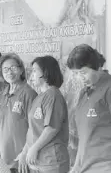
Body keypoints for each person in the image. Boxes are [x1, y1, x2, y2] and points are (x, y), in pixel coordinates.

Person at [21, 56, 69, 173]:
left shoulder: (53, 95)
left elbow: (51, 128)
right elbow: (33, 129)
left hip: (51, 162)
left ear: (46, 72)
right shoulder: (39, 96)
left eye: (34, 70)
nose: (31, 75)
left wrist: (34, 148)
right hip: (38, 162)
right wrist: (25, 151)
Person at [67, 44, 111, 173]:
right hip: (86, 166)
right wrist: (77, 165)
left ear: (96, 66)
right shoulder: (84, 93)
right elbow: (85, 136)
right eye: (76, 74)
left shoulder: (108, 88)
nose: (80, 77)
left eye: (83, 72)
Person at [0, 53, 37, 172]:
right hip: (3, 161)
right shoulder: (2, 94)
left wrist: (25, 153)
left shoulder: (29, 94)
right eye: (5, 69)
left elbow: (35, 128)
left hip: (21, 161)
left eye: (13, 68)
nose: (9, 72)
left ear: (21, 69)